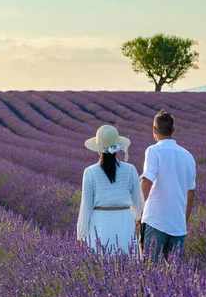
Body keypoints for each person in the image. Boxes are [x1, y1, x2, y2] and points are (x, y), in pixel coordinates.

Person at [77, 124, 143, 255]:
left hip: (100, 224)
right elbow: (138, 202)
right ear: (118, 148)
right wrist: (138, 217)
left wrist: (81, 234)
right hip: (124, 221)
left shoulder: (90, 172)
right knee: (127, 266)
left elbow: (86, 207)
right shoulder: (130, 170)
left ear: (98, 149)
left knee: (100, 266)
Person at [139, 109, 196, 260]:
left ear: (154, 130)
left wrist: (137, 212)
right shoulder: (188, 156)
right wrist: (183, 222)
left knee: (148, 269)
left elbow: (146, 181)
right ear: (173, 130)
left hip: (155, 220)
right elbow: (191, 193)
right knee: (175, 274)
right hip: (178, 225)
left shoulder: (154, 151)